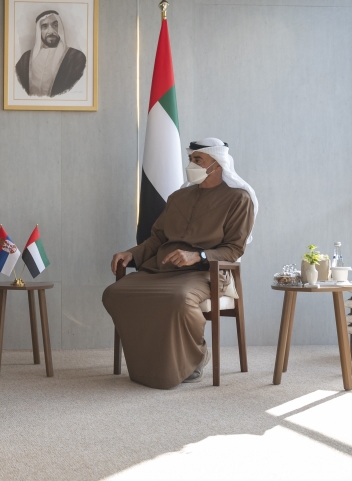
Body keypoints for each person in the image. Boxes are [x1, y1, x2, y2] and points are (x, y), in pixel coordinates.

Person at [102, 138, 257, 389]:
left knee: (178, 298)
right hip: (161, 269)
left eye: (198, 160)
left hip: (205, 272)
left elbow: (234, 249)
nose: (191, 165)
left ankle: (196, 355)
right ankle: (149, 360)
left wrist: (199, 256)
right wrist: (130, 253)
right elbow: (157, 239)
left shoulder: (238, 199)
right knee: (115, 293)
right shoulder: (177, 197)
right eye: (190, 159)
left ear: (216, 165)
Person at [15, 10, 86, 97]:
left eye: (55, 25)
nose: (51, 31)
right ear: (39, 31)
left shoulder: (75, 57)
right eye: (44, 26)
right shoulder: (25, 59)